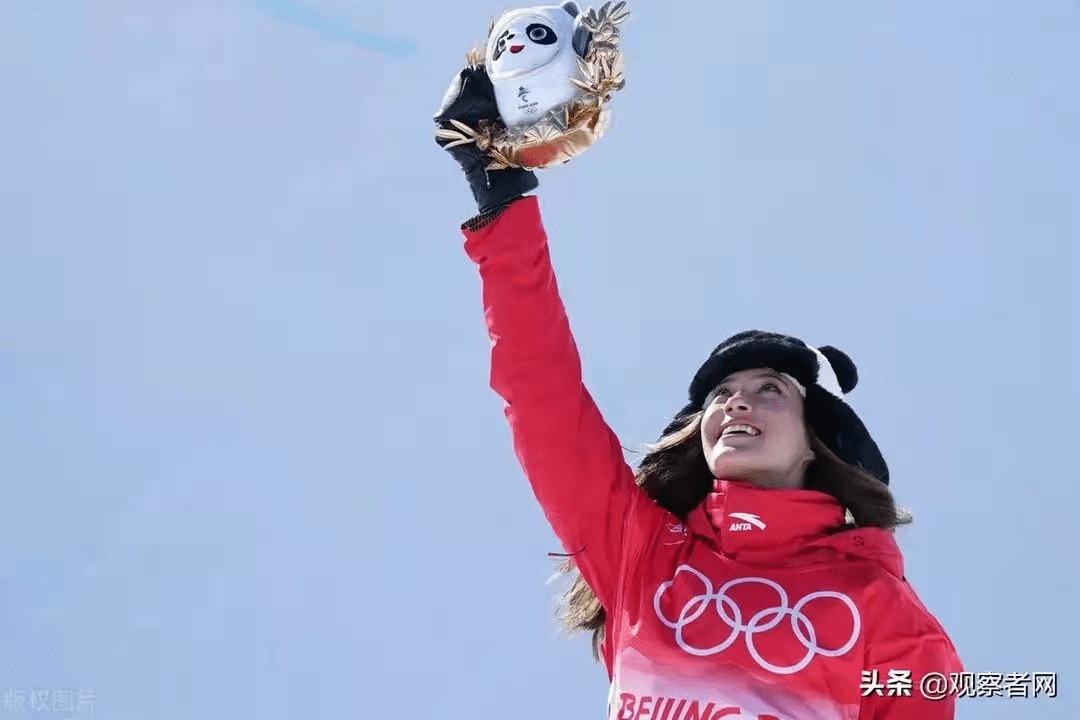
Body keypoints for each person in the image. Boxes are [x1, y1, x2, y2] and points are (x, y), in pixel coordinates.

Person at [435, 63, 963, 720]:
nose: (735, 403)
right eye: (721, 395)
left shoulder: (878, 607)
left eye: (770, 390)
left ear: (816, 443)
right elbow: (540, 392)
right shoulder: (641, 555)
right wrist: (502, 199)